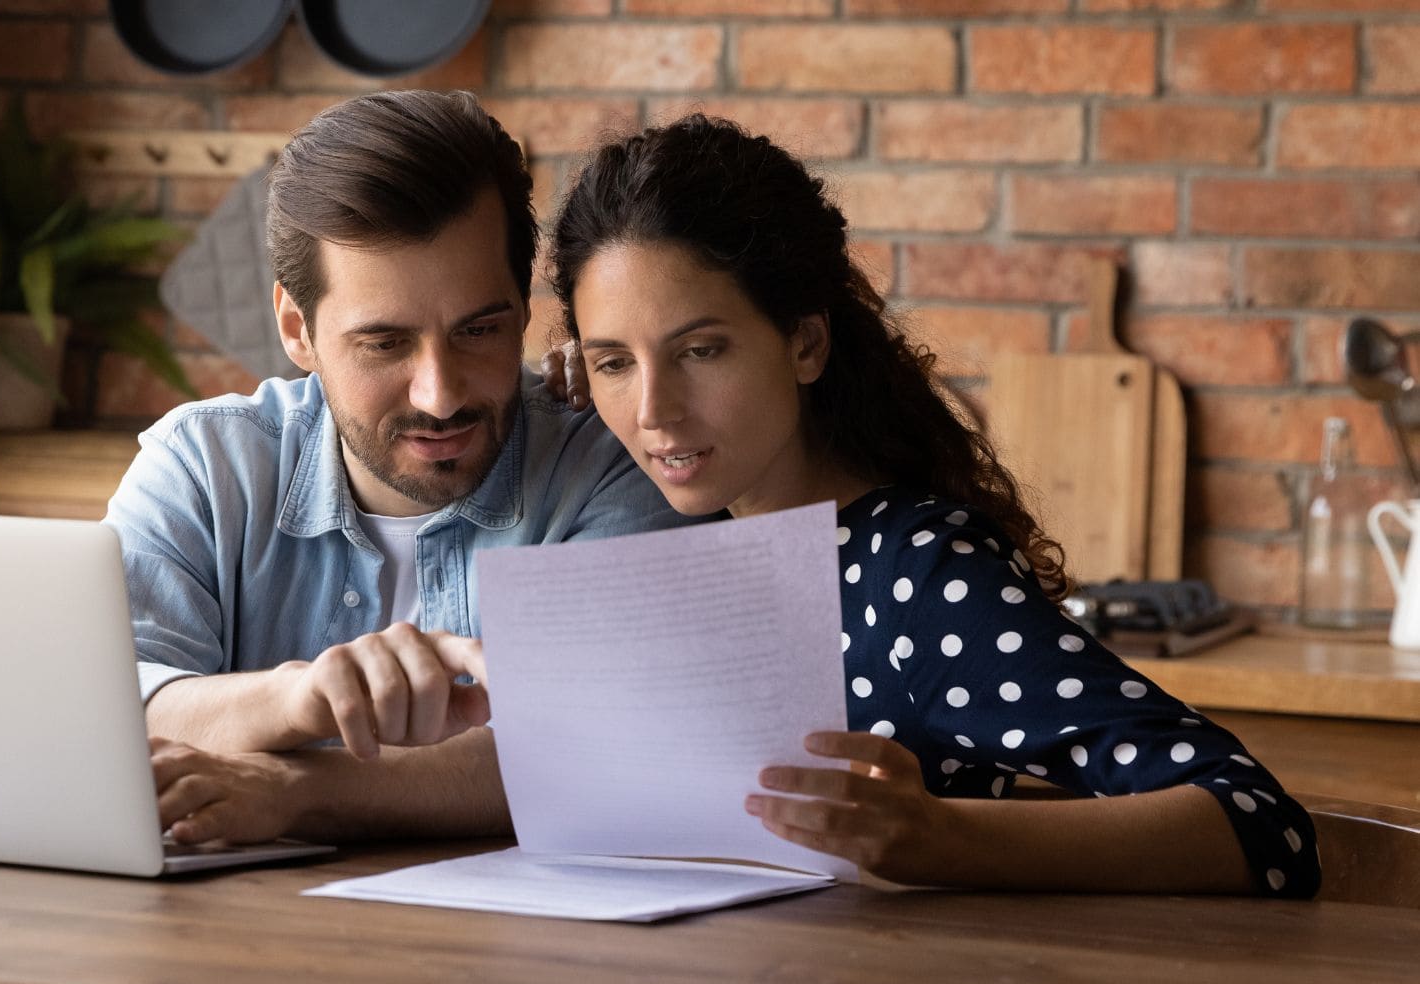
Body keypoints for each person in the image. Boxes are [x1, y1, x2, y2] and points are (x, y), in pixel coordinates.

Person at [541, 114, 1320, 897]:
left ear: (806, 344)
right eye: (614, 362)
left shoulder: (913, 572)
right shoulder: (666, 531)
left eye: (700, 350)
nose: (653, 410)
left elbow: (1258, 821)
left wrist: (944, 835)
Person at [104, 91, 693, 848]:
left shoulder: (605, 462)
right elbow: (113, 710)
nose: (440, 393)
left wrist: (294, 788)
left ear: (523, 309)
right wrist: (302, 698)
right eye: (384, 343)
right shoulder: (202, 468)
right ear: (297, 330)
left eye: (479, 329)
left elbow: (588, 744)